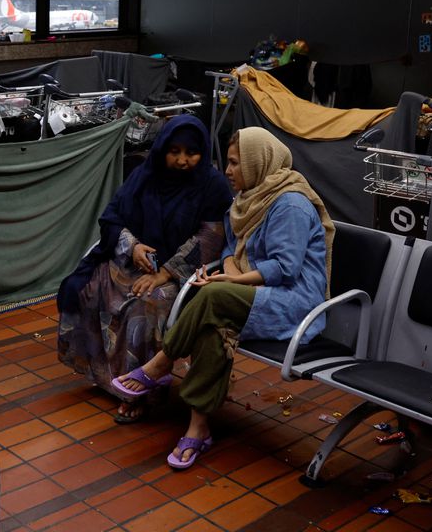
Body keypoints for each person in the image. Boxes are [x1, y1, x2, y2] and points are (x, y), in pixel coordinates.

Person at [116, 127, 334, 469]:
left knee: (214, 298)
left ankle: (161, 363)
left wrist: (230, 281)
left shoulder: (290, 203)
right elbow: (233, 250)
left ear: (256, 162)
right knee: (212, 320)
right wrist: (225, 273)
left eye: (234, 163)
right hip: (253, 292)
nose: (227, 171)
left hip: (293, 302)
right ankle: (197, 429)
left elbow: (285, 268)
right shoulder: (247, 199)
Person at [57, 115, 233, 423]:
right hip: (135, 259)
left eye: (191, 153)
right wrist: (133, 246)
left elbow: (210, 238)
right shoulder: (145, 175)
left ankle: (138, 392)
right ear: (162, 149)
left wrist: (164, 272)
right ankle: (106, 375)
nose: (181, 160)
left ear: (203, 153)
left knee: (146, 306)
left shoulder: (212, 185)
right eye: (174, 151)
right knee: (87, 287)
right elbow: (112, 216)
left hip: (184, 273)